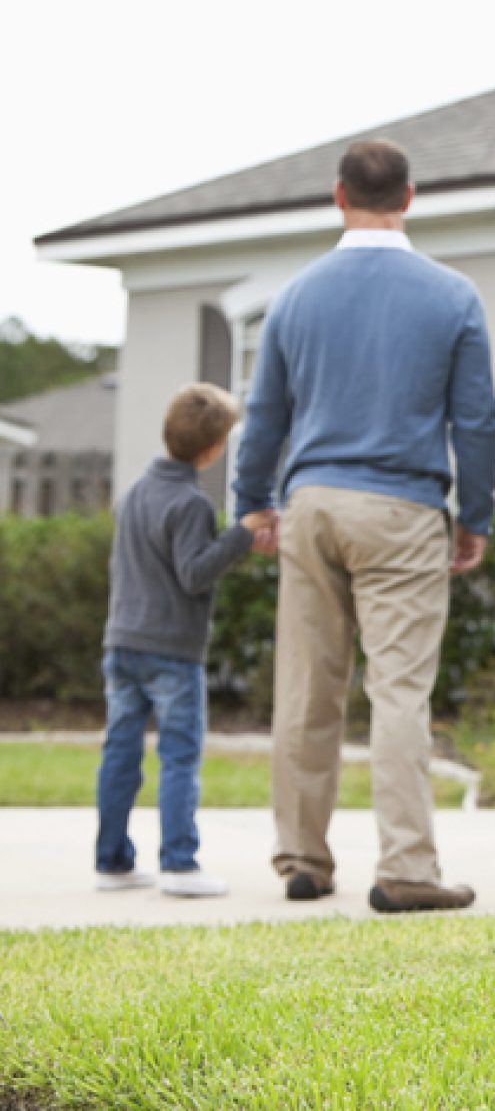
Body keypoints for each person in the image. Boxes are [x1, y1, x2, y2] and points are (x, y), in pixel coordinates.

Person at [234, 139, 495, 914]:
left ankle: (304, 862)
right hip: (403, 508)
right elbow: (476, 420)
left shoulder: (295, 296)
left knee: (308, 691)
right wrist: (473, 515)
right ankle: (407, 866)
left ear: (337, 195)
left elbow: (262, 418)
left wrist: (252, 500)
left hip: (312, 503)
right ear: (409, 197)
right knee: (399, 693)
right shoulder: (452, 296)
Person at [97, 382, 275, 897]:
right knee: (178, 755)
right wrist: (241, 534)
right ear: (214, 448)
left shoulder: (133, 493)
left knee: (120, 754)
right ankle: (179, 862)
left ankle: (112, 861)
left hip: (121, 642)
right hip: (170, 650)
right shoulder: (189, 504)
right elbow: (194, 574)